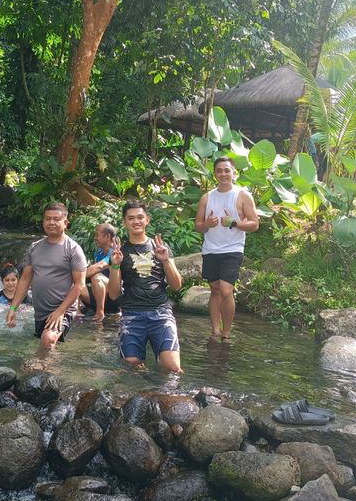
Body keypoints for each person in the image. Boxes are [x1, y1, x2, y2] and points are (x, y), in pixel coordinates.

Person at [107, 200, 183, 372]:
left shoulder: (160, 248)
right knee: (132, 367)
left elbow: (177, 286)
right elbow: (113, 294)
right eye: (131, 218)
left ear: (147, 219)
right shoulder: (121, 252)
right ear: (125, 222)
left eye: (140, 217)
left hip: (161, 313)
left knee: (172, 368)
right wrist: (115, 265)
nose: (136, 222)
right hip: (132, 315)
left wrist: (165, 261)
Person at [6, 202, 86, 350]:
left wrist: (60, 312)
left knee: (48, 339)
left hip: (63, 310)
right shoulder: (35, 247)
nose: (51, 222)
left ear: (65, 222)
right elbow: (25, 279)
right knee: (46, 345)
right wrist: (13, 308)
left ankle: (37, 370)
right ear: (43, 222)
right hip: (40, 311)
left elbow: (79, 285)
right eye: (48, 219)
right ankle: (51, 371)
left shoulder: (73, 249)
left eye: (56, 219)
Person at [194, 157, 259, 339]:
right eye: (219, 171)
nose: (223, 174)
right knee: (214, 289)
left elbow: (254, 224)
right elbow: (198, 226)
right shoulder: (207, 197)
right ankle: (215, 329)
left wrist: (234, 223)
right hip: (211, 249)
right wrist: (207, 223)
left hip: (233, 249)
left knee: (226, 289)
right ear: (214, 173)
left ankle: (227, 333)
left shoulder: (243, 196)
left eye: (227, 170)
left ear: (233, 173)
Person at [79, 222, 121, 320]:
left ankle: (100, 312)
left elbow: (100, 266)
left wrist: (78, 275)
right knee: (77, 282)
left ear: (107, 237)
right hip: (100, 294)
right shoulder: (98, 253)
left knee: (95, 276)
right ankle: (77, 312)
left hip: (113, 296)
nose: (95, 238)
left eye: (97, 235)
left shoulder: (114, 253)